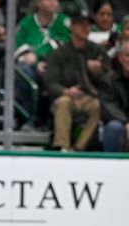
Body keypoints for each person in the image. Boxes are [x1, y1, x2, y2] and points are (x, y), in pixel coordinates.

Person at [45, 7, 110, 151]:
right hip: (67, 96)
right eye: (81, 24)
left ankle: (80, 147)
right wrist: (65, 90)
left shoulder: (98, 51)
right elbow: (50, 82)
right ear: (72, 27)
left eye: (88, 25)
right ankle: (63, 146)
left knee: (100, 107)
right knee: (62, 104)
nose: (85, 28)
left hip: (90, 97)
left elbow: (110, 79)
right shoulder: (59, 53)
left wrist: (98, 72)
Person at [14, 0, 71, 123]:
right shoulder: (26, 23)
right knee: (24, 72)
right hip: (32, 68)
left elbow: (64, 44)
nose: (53, 2)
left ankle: (51, 121)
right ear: (38, 3)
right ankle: (29, 118)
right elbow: (19, 47)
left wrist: (38, 55)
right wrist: (36, 64)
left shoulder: (64, 22)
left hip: (58, 66)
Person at [100, 41, 129, 151]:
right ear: (120, 58)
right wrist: (126, 123)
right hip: (120, 124)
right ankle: (110, 165)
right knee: (114, 127)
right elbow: (109, 107)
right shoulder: (108, 80)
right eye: (128, 55)